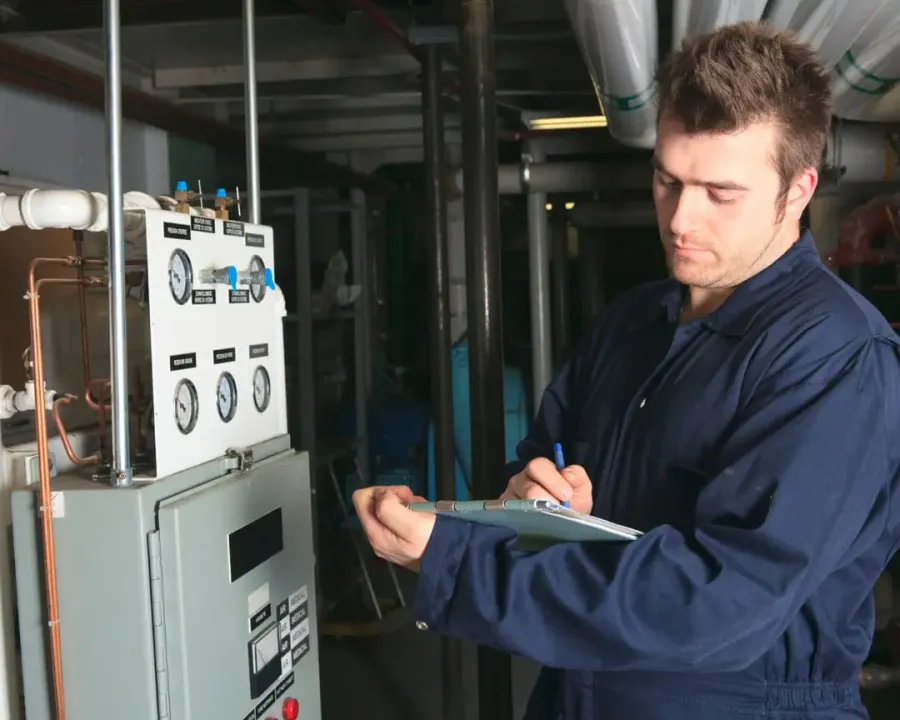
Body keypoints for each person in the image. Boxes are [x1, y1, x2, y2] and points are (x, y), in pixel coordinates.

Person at [353, 20, 900, 720]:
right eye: (668, 181)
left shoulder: (836, 359)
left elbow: (721, 603)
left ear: (798, 190)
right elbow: (539, 464)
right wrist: (533, 498)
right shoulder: (630, 324)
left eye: (720, 193)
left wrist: (458, 561)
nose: (680, 220)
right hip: (581, 692)